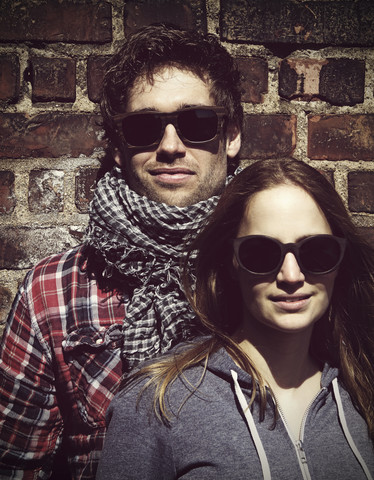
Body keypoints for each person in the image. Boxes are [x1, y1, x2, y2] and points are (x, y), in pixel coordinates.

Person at [0, 24, 242, 479]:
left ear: (230, 137)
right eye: (145, 127)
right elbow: (14, 465)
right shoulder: (51, 294)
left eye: (197, 123)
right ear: (117, 147)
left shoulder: (275, 272)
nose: (171, 146)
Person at [96, 158, 374, 480]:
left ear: (340, 260)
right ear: (231, 262)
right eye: (260, 253)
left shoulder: (361, 391)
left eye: (317, 251)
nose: (291, 275)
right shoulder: (157, 402)